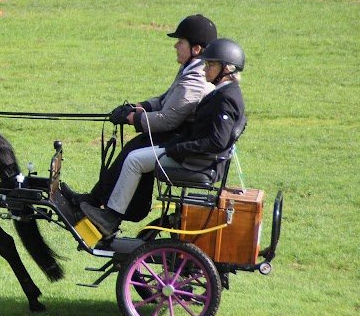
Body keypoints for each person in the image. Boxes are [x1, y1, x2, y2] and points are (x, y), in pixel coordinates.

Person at [80, 38, 247, 239]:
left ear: (226, 69)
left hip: (196, 161)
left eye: (210, 65)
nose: (205, 69)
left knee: (135, 160)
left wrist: (178, 148)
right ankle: (108, 208)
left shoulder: (226, 97)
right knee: (136, 153)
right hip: (195, 156)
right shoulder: (223, 92)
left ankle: (111, 218)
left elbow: (217, 141)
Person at [62, 14, 217, 221]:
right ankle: (94, 199)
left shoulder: (195, 80)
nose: (175, 46)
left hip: (178, 138)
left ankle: (109, 214)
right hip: (175, 134)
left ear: (196, 49)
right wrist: (137, 107)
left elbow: (168, 119)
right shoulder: (189, 70)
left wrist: (134, 119)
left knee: (133, 153)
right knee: (132, 147)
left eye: (180, 42)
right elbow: (165, 99)